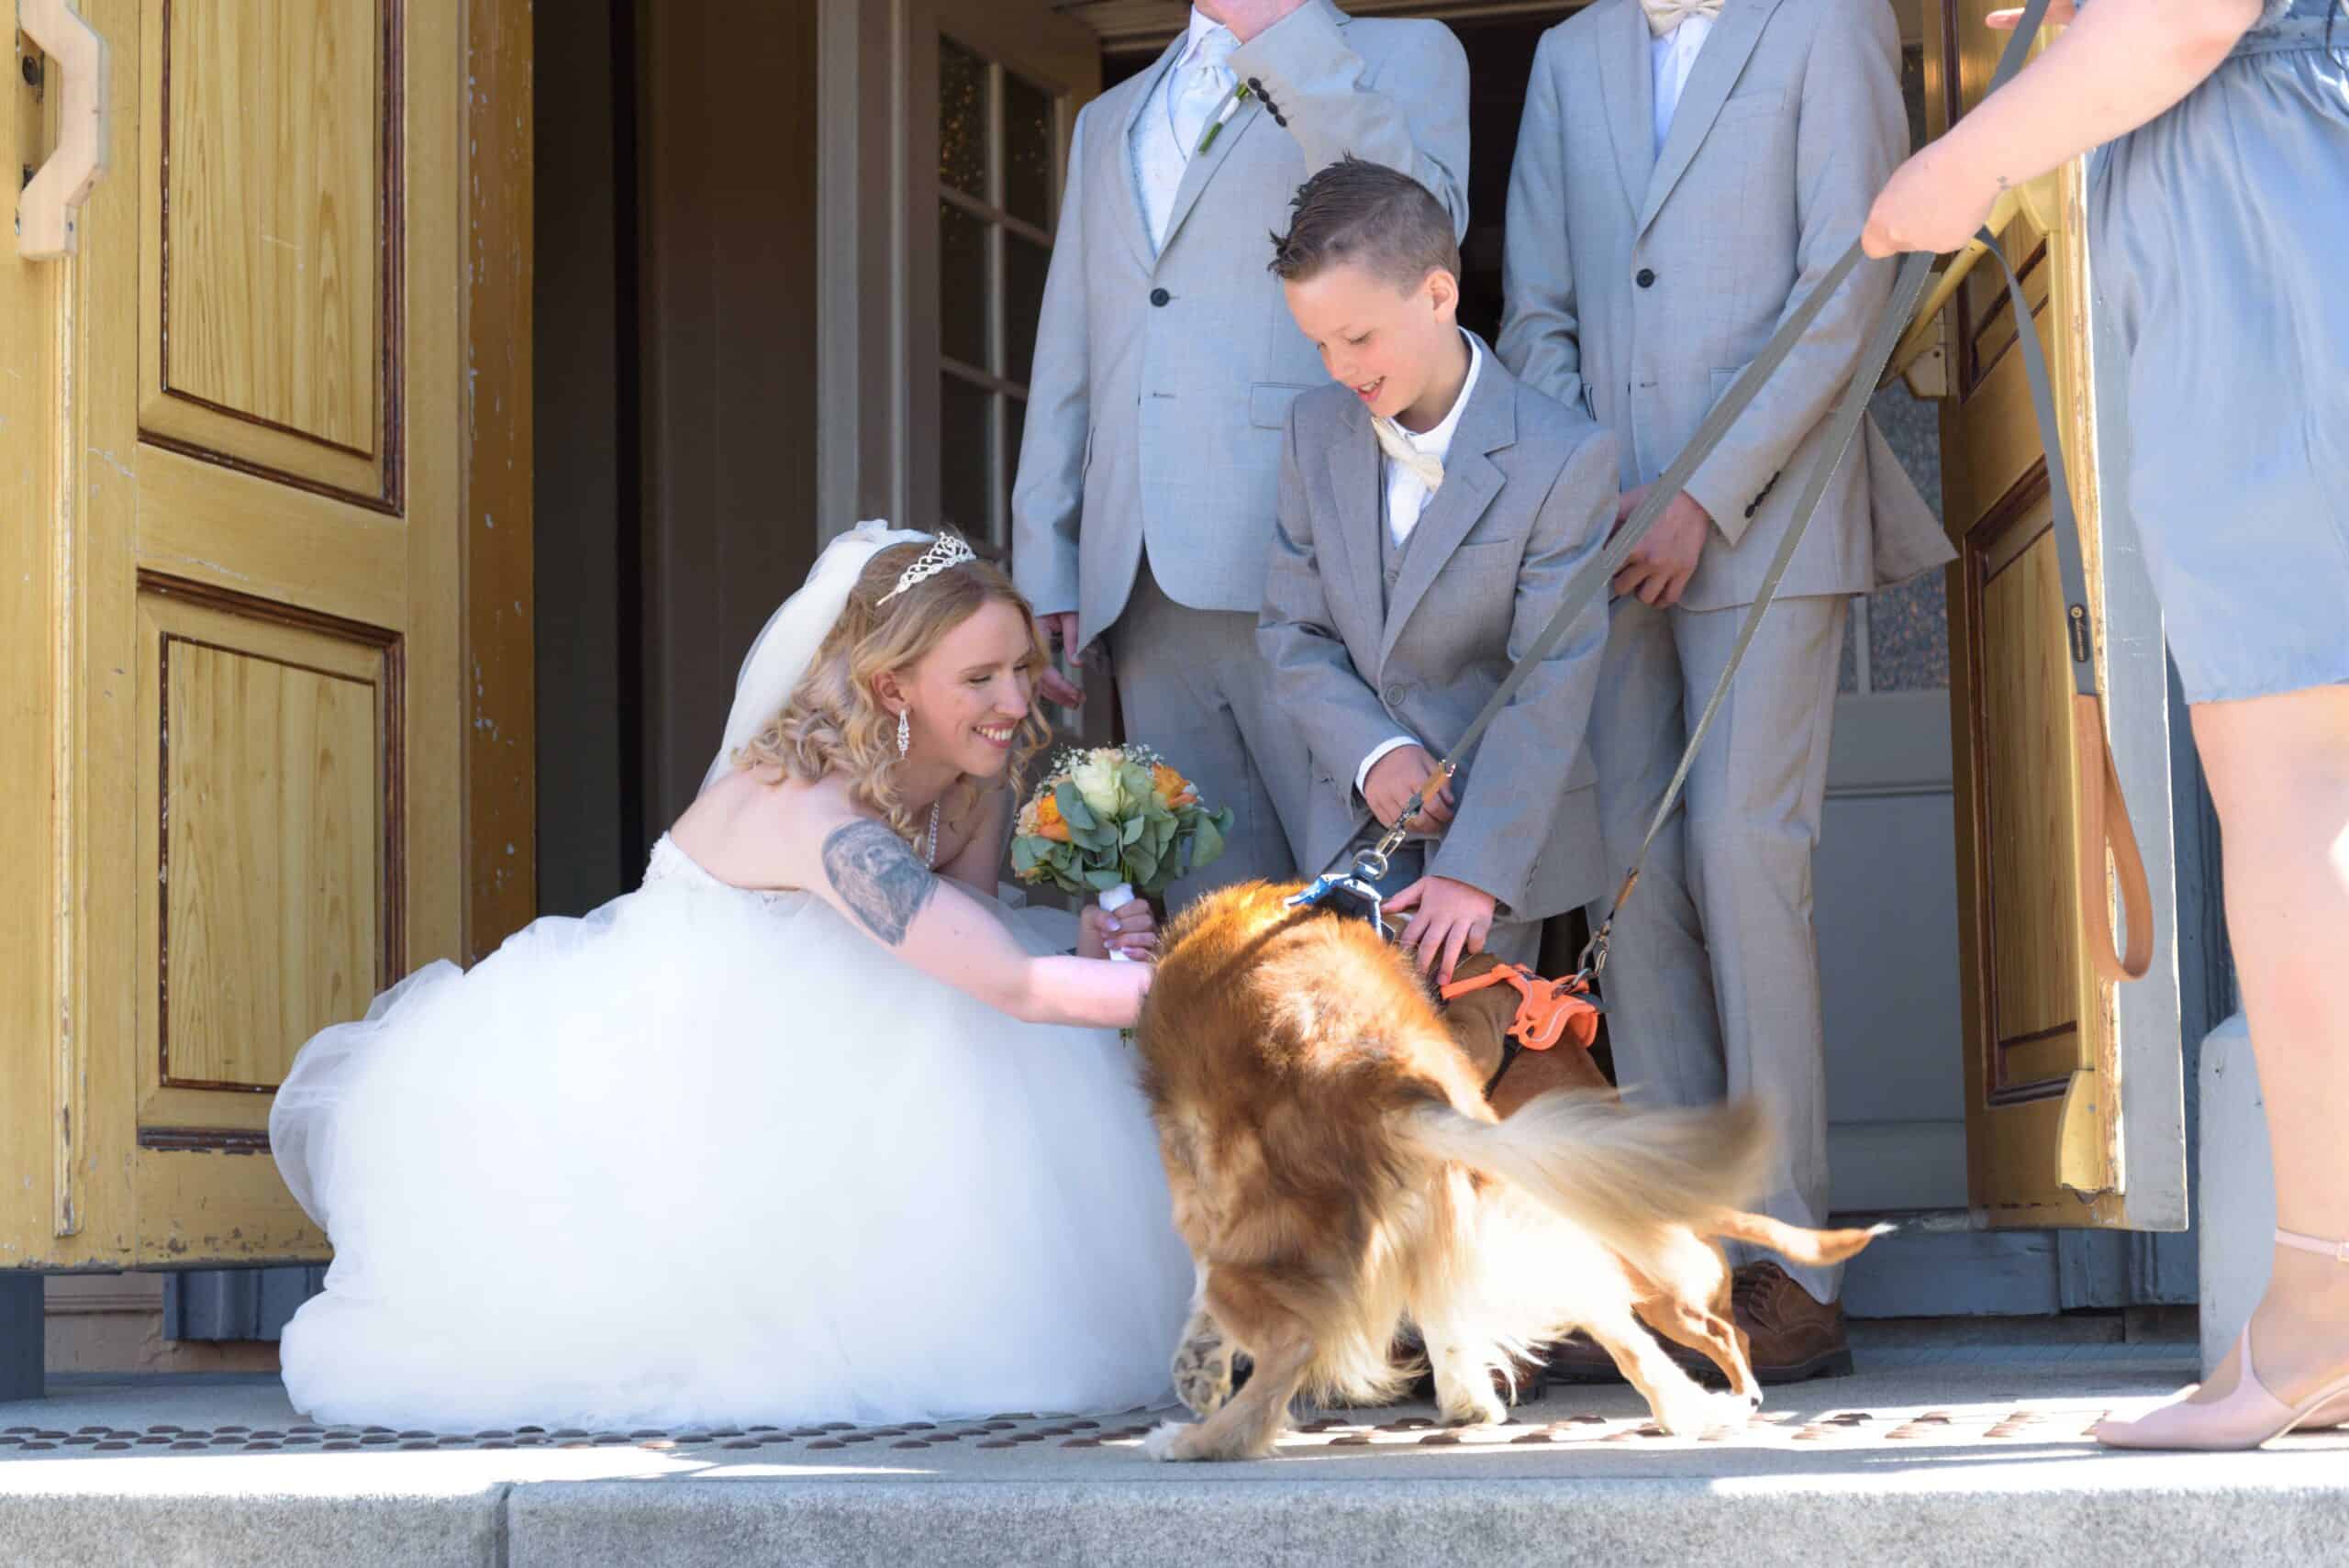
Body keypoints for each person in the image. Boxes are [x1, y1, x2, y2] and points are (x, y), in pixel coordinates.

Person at [268, 525, 1193, 1431]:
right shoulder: (821, 816)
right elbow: (1014, 984)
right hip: (694, 1062)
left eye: (1023, 666)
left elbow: (966, 941)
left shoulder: (965, 779)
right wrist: (1225, 987)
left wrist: (1088, 953)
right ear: (892, 685)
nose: (1015, 698)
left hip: (854, 1033)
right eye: (980, 677)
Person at [1865, 0, 2349, 1451]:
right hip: (2276, 183)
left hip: (2260, 204)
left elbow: (2185, 17)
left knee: (2296, 782)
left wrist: (1962, 161)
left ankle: (2327, 1306)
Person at [1496, 0, 1954, 1380]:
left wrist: (1699, 490)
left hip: (1774, 518)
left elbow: (1850, 281)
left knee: (1745, 861)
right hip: (1603, 537)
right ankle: (1680, 1261)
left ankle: (1791, 1269)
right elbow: (1537, 311)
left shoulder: (1827, 24)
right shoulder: (1568, 56)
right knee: (1633, 890)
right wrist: (1591, 493)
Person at [1012, 0, 1468, 909]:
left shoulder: (1406, 53)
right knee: (1214, 925)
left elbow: (1416, 230)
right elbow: (1072, 343)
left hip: (1319, 555)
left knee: (1368, 913)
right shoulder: (1109, 118)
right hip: (1142, 573)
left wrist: (1278, 28)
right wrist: (1047, 552)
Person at [1256, 159, 1617, 987]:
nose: (1339, 368)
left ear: (1437, 295)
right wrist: (1373, 751)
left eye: (1358, 338)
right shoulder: (1312, 430)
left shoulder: (1564, 456)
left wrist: (1474, 869)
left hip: (1491, 853)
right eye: (1319, 344)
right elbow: (1291, 630)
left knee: (1463, 1063)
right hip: (1349, 834)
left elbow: (1550, 681)